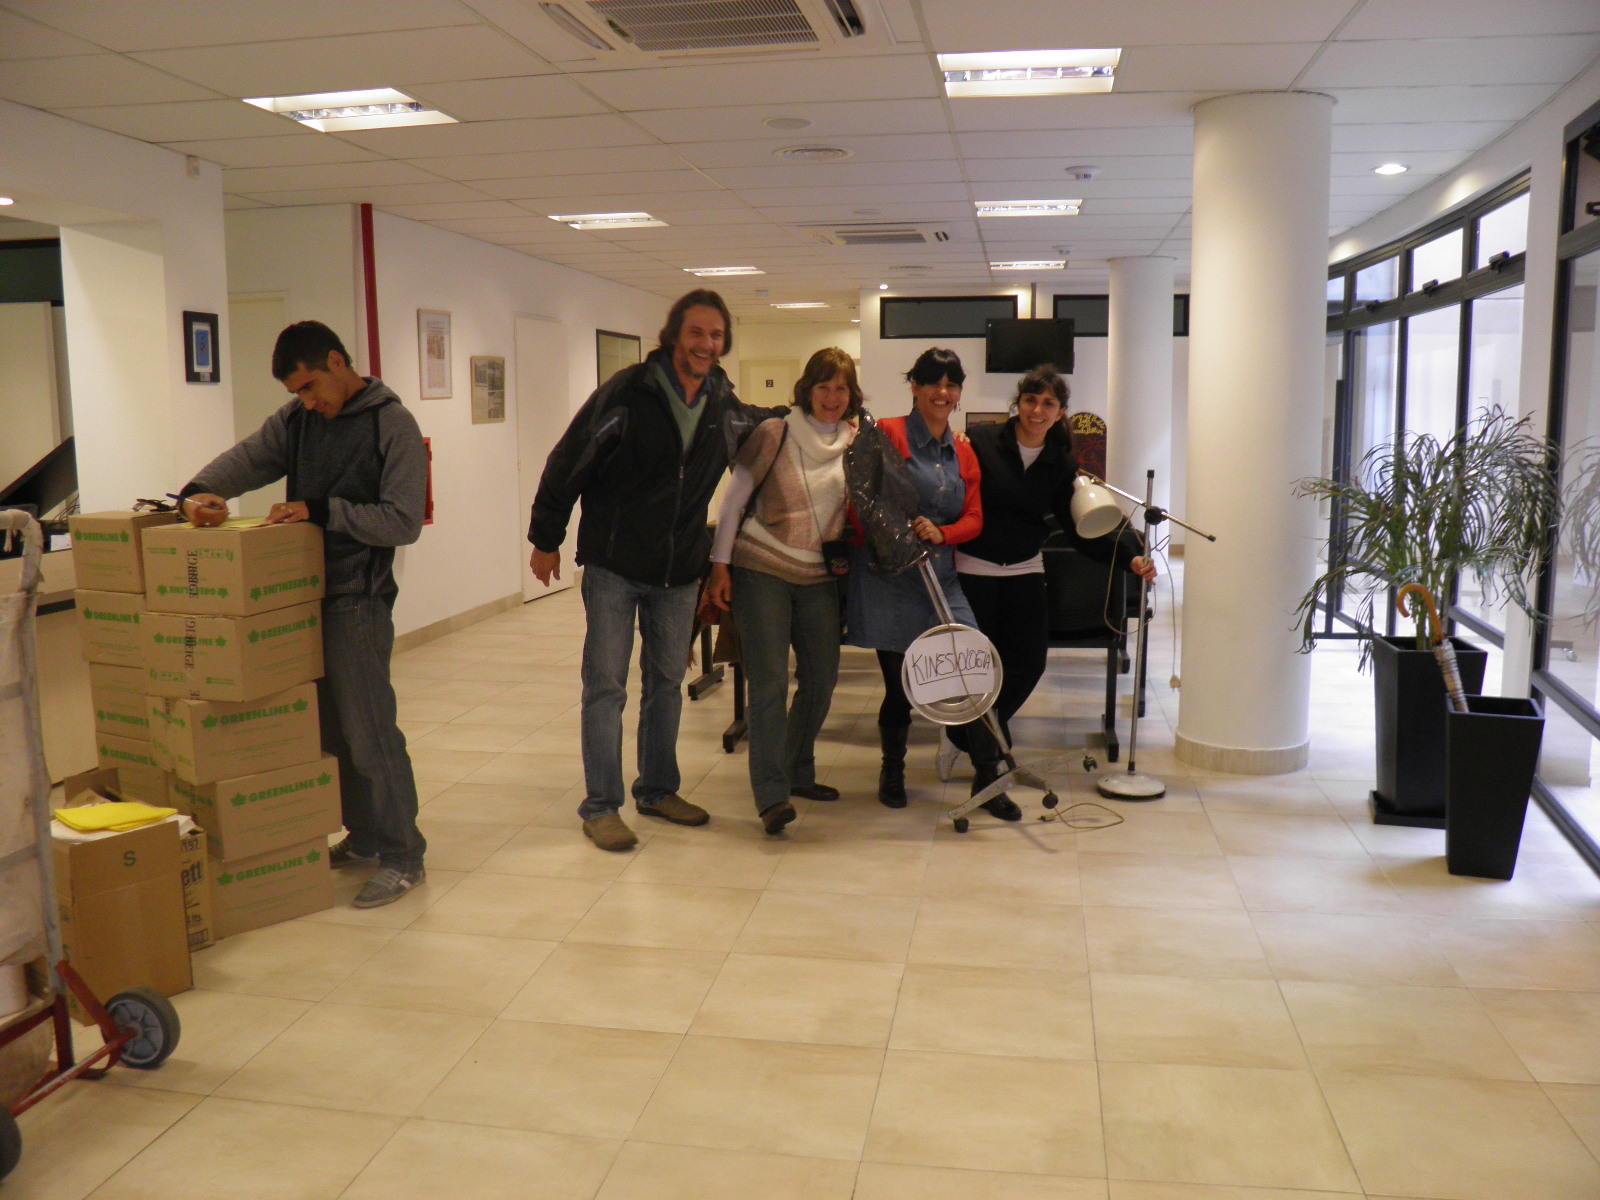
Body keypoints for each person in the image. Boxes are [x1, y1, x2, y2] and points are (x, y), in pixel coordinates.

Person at [176, 321, 428, 908]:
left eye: (311, 386)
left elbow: (403, 521)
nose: (308, 402)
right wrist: (197, 491)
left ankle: (404, 855)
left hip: (358, 598)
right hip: (298, 598)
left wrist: (321, 510)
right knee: (331, 730)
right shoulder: (297, 421)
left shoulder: (392, 423)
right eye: (297, 393)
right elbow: (249, 458)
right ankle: (365, 836)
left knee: (370, 731)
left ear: (338, 362)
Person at [527, 289, 778, 852]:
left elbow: (766, 425)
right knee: (606, 687)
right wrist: (546, 537)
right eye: (697, 333)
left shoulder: (723, 404)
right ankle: (601, 807)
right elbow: (569, 460)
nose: (706, 344)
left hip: (679, 572)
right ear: (673, 336)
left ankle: (658, 790)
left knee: (665, 685)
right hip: (614, 566)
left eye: (716, 335)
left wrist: (815, 411)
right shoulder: (628, 392)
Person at [947, 365, 1156, 808]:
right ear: (1018, 403)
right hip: (974, 571)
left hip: (1024, 571)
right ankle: (987, 770)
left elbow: (1080, 530)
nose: (1037, 410)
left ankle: (969, 734)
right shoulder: (981, 443)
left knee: (1028, 664)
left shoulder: (1060, 464)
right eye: (1031, 400)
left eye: (1048, 404)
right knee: (980, 670)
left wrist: (1130, 557)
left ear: (1060, 412)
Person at [845, 347, 1009, 815]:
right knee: (901, 686)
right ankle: (892, 771)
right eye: (933, 382)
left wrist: (943, 533)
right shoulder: (886, 433)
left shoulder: (963, 450)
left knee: (973, 674)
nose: (942, 392)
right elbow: (863, 505)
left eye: (951, 384)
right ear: (914, 387)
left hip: (941, 578)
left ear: (959, 393)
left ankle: (988, 778)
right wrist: (901, 537)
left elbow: (974, 517)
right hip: (890, 581)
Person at [704, 348, 860, 836]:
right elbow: (733, 503)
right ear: (806, 390)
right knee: (769, 682)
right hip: (762, 568)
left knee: (822, 678)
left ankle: (797, 770)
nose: (832, 397)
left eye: (841, 388)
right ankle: (772, 796)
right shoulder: (775, 433)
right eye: (823, 387)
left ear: (851, 394)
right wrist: (720, 566)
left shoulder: (857, 440)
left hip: (819, 577)